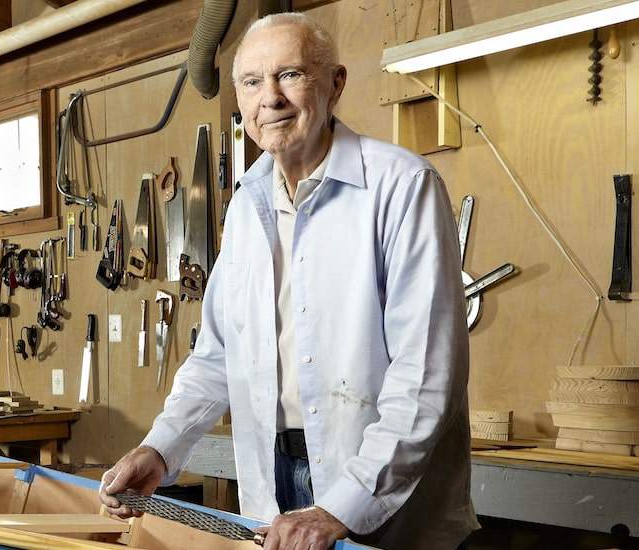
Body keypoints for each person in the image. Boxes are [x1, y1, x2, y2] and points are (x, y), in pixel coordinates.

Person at [98, 13, 476, 550]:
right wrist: (160, 448)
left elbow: (426, 376)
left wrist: (338, 507)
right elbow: (216, 356)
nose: (269, 98)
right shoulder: (246, 207)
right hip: (273, 481)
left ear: (336, 84)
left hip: (381, 491)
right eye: (251, 82)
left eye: (290, 75)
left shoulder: (401, 188)